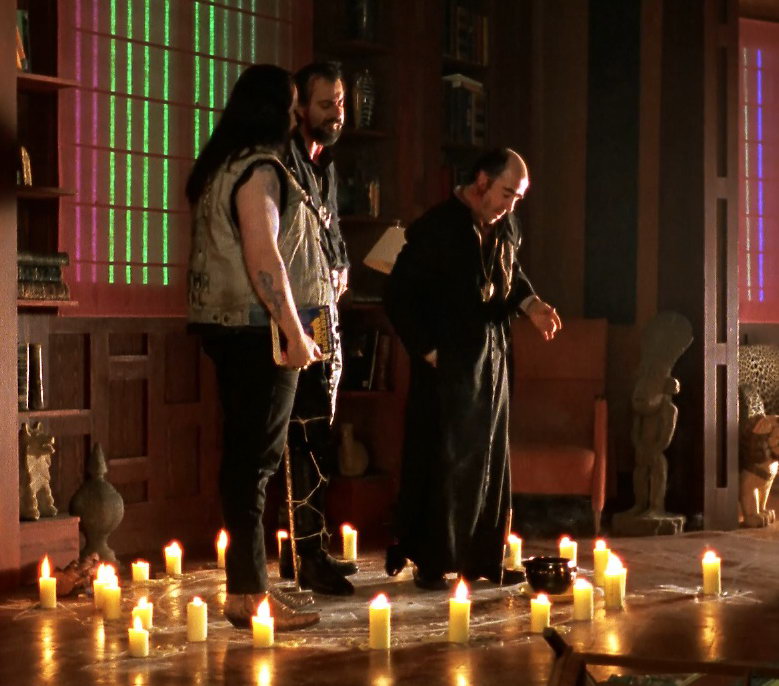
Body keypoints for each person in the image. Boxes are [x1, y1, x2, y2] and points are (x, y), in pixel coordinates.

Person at [186, 64, 331, 629]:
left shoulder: (221, 166)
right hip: (258, 330)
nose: (297, 117)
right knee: (256, 464)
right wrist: (295, 331)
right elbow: (263, 254)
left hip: (230, 327)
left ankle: (247, 590)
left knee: (246, 459)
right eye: (292, 106)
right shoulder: (260, 169)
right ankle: (249, 595)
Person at [384, 148, 562, 590]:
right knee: (445, 460)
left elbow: (510, 274)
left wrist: (533, 305)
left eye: (518, 198)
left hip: (493, 361)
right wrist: (428, 351)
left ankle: (482, 559)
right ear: (481, 182)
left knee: (490, 458)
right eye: (507, 194)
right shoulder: (436, 229)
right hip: (447, 366)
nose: (511, 206)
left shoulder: (504, 224)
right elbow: (398, 295)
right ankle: (433, 560)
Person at [277, 61, 356, 596]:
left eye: (341, 103)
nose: (336, 114)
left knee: (319, 429)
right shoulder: (281, 163)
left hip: (325, 308)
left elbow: (332, 231)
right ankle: (306, 555)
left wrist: (342, 264)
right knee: (302, 433)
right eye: (326, 105)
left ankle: (307, 548)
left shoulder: (324, 166)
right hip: (296, 310)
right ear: (301, 107)